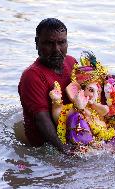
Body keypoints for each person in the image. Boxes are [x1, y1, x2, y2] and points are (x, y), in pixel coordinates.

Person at [18, 18, 77, 154]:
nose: (57, 50)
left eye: (61, 42)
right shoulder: (32, 76)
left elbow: (87, 93)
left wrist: (110, 84)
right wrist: (64, 150)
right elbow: (41, 119)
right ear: (37, 43)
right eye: (49, 43)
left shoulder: (71, 62)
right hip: (44, 148)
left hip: (71, 133)